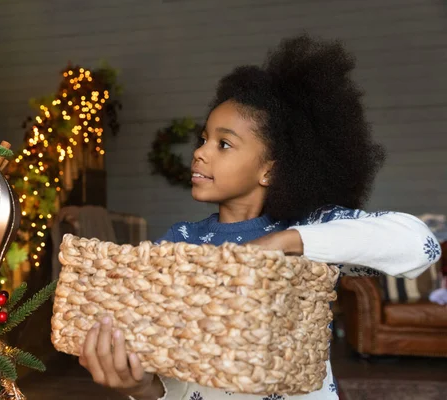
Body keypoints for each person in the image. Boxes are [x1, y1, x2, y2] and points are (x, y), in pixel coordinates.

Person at [77, 34, 442, 400]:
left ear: (269, 169)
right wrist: (142, 387)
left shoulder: (313, 229)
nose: (200, 153)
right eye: (203, 139)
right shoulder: (179, 243)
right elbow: (176, 375)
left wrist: (287, 242)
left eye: (224, 144)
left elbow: (421, 245)